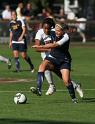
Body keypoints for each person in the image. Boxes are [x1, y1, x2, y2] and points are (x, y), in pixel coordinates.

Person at [31, 23, 83, 102]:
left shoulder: (66, 37)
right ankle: (39, 89)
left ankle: (74, 99)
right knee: (42, 66)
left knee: (66, 81)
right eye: (56, 30)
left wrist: (40, 46)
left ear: (63, 31)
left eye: (58, 31)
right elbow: (44, 30)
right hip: (52, 57)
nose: (56, 32)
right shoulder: (53, 31)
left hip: (64, 60)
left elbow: (54, 45)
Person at [34, 18, 56, 95]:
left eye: (48, 28)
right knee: (44, 68)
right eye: (44, 28)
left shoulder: (55, 32)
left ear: (51, 27)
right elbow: (36, 48)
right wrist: (48, 49)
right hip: (46, 57)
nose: (46, 30)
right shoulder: (39, 33)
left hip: (57, 57)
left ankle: (76, 86)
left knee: (65, 78)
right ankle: (42, 88)